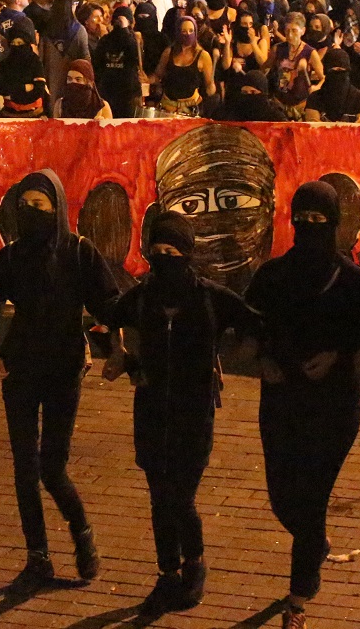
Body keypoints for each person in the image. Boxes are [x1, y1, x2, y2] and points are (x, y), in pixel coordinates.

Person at [103, 211, 260, 614]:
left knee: (181, 497)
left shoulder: (209, 297)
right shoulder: (142, 296)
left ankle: (195, 564)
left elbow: (253, 324)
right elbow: (108, 318)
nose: (163, 258)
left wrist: (230, 359)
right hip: (152, 412)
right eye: (156, 250)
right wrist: (123, 357)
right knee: (160, 497)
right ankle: (167, 572)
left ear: (187, 254)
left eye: (172, 252)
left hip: (193, 415)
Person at [0, 170, 119, 587]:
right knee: (24, 468)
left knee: (52, 468)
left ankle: (82, 533)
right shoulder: (11, 257)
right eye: (23, 205)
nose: (30, 212)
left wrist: (119, 347)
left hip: (63, 368)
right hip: (20, 369)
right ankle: (37, 555)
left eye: (39, 205)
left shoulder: (79, 252)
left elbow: (110, 304)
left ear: (56, 207)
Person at [248, 182, 360, 628]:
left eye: (318, 220)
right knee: (283, 497)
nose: (308, 227)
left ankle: (298, 600)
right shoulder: (272, 276)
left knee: (313, 498)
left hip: (333, 405)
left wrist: (338, 355)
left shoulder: (353, 281)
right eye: (301, 219)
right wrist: (264, 359)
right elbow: (250, 326)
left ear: (334, 223)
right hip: (282, 403)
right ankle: (314, 543)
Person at [92, 5, 144, 118]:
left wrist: (125, 31)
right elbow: (97, 65)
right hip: (108, 92)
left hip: (128, 93)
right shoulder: (106, 41)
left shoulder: (134, 40)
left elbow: (136, 58)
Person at [305, 48, 360, 123]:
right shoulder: (314, 99)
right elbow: (312, 126)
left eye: (341, 71)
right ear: (326, 71)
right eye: (333, 70)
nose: (338, 75)